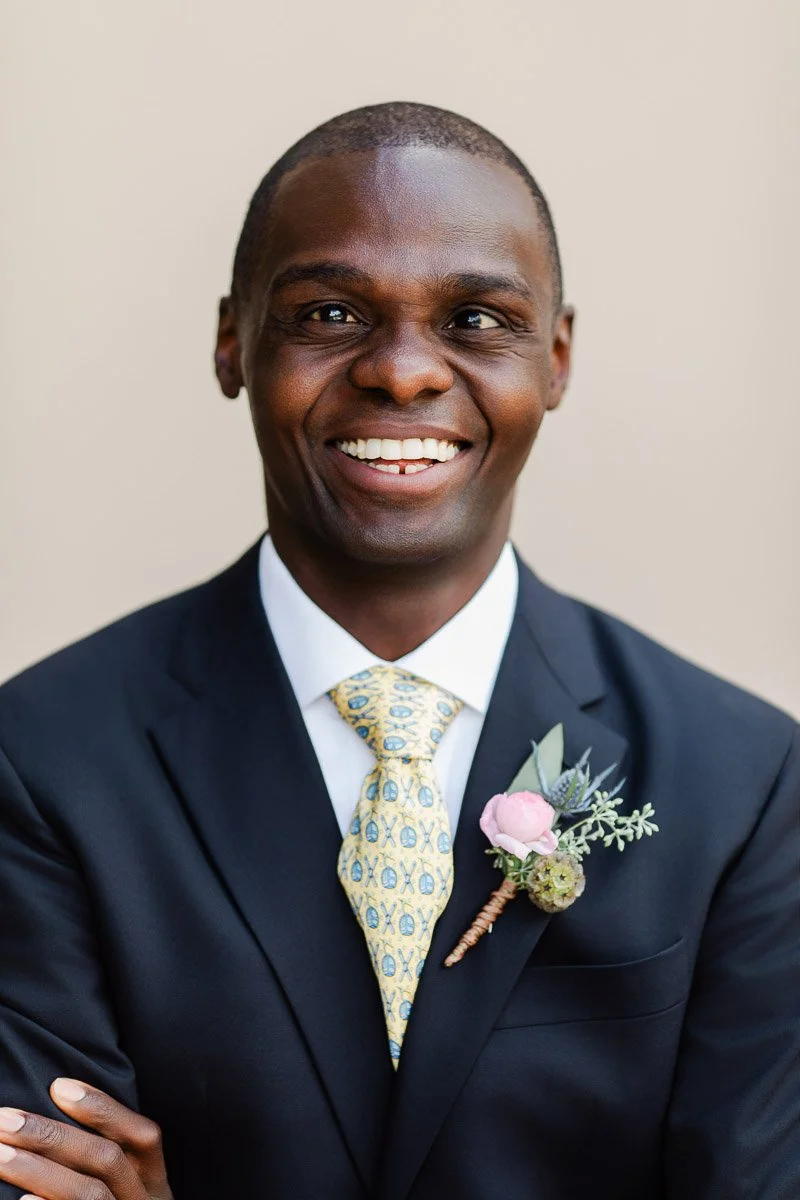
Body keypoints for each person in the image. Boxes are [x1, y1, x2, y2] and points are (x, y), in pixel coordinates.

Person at [0, 101, 797, 1200]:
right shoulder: (41, 758)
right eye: (329, 312)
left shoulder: (744, 783)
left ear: (554, 358)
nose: (403, 373)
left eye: (475, 320)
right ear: (233, 340)